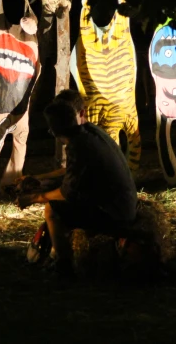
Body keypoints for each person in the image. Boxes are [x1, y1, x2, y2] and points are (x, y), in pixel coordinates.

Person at [16, 99, 137, 271]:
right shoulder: (90, 132)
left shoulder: (77, 146)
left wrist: (33, 198)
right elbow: (71, 173)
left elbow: (67, 192)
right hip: (125, 205)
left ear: (54, 131)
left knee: (52, 210)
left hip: (116, 214)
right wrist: (38, 179)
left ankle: (62, 264)